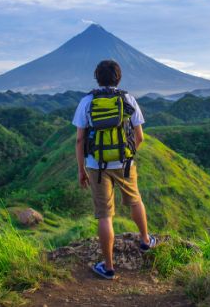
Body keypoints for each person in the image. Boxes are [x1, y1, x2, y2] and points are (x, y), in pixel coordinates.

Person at [72, 59, 156, 280]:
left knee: (104, 215)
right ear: (118, 78)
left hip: (96, 165)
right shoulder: (127, 98)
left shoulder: (87, 101)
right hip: (124, 163)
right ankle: (146, 240)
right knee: (135, 200)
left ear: (97, 78)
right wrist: (127, 154)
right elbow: (140, 136)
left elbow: (80, 140)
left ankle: (108, 267)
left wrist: (81, 170)